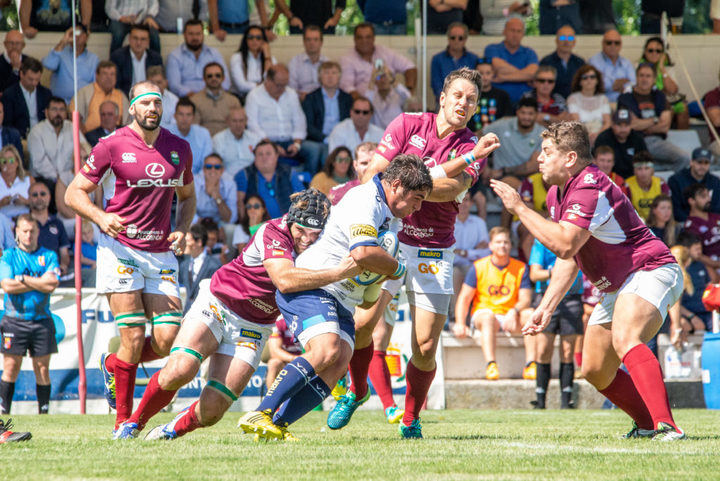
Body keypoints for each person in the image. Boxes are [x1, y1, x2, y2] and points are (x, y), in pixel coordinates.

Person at [326, 67, 501, 438]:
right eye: (457, 96)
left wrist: (409, 179)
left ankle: (411, 419)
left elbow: (447, 191)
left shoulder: (473, 146)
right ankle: (357, 391)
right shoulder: (406, 123)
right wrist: (422, 180)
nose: (463, 104)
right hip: (390, 235)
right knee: (362, 327)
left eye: (471, 100)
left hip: (434, 247)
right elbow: (375, 171)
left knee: (424, 345)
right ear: (442, 97)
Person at [491, 120, 686, 440]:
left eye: (547, 152)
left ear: (569, 158)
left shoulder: (590, 185)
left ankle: (668, 425)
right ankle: (648, 425)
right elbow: (571, 256)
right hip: (619, 284)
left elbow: (565, 244)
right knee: (595, 368)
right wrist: (547, 305)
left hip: (650, 268)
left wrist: (519, 209)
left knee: (626, 337)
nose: (539, 158)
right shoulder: (557, 193)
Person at [124, 189, 358, 441]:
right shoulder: (273, 231)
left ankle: (168, 431)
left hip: (254, 327)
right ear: (291, 219)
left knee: (213, 410)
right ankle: (132, 424)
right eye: (301, 231)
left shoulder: (323, 242)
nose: (307, 239)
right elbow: (284, 280)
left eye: (314, 234)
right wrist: (339, 273)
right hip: (219, 303)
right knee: (181, 369)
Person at [238, 155, 432, 441]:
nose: (418, 207)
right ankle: (262, 411)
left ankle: (276, 425)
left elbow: (367, 296)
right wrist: (399, 269)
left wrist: (376, 279)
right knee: (327, 349)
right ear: (397, 185)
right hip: (314, 284)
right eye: (417, 198)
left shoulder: (390, 220)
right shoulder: (366, 200)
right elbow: (363, 253)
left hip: (341, 298)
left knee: (339, 361)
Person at [64, 80, 196, 438]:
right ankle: (124, 422)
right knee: (134, 335)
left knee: (169, 339)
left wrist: (182, 229)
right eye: (146, 103)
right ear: (132, 109)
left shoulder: (179, 147)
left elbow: (187, 197)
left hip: (160, 252)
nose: (153, 108)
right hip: (120, 247)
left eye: (158, 103)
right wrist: (100, 217)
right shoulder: (111, 145)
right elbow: (73, 192)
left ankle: (113, 363)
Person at [453, 226, 535, 381]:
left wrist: (514, 311)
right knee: (488, 317)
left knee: (530, 314)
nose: (502, 245)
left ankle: (531, 364)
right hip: (485, 315)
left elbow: (525, 299)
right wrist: (459, 323)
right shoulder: (478, 266)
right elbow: (464, 298)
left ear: (511, 245)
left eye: (506, 242)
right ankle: (491, 365)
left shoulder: (520, 267)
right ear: (490, 245)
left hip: (510, 315)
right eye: (498, 242)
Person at [0, 214, 60, 415]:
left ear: (38, 232)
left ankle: (44, 413)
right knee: (11, 367)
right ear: (17, 232)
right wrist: (38, 283)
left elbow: (51, 284)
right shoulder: (8, 256)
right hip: (14, 319)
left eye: (32, 231)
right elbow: (7, 285)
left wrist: (23, 279)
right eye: (24, 231)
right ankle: (4, 412)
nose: (28, 235)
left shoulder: (49, 255)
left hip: (42, 320)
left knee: (42, 368)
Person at [526, 237, 584, 409]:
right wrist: (559, 272)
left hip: (572, 298)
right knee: (543, 349)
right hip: (545, 296)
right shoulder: (542, 242)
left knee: (568, 351)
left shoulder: (577, 240)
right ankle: (540, 400)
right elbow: (534, 274)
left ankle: (566, 401)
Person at [245, 64, 324, 175]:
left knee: (314, 149)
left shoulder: (291, 94)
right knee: (268, 153)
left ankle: (307, 186)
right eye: (278, 85)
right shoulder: (254, 96)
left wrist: (296, 144)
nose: (282, 89)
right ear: (268, 80)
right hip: (265, 142)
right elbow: (252, 125)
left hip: (290, 142)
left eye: (285, 85)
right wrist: (271, 145)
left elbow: (299, 120)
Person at [617, 63, 689, 172]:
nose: (644, 79)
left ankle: (658, 171)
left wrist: (642, 125)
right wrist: (655, 119)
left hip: (656, 141)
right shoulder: (625, 98)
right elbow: (631, 125)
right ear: (636, 77)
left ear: (654, 79)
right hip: (634, 141)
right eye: (641, 75)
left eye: (648, 76)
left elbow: (664, 126)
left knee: (684, 158)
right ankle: (654, 168)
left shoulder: (659, 96)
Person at [28, 97, 91, 190]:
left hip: (69, 178)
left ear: (66, 113)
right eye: (54, 109)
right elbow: (39, 163)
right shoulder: (36, 132)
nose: (58, 113)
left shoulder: (71, 127)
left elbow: (85, 149)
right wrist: (60, 180)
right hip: (44, 179)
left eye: (62, 110)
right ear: (46, 112)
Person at [234, 140, 307, 220]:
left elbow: (302, 199)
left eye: (268, 153)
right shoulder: (244, 175)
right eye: (260, 154)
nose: (264, 157)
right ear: (255, 158)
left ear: (276, 156)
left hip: (287, 224)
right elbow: (239, 204)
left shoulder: (289, 172)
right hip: (258, 227)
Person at [340, 23, 417, 97]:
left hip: (391, 101)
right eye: (360, 37)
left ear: (374, 38)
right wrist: (363, 105)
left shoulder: (385, 52)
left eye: (368, 37)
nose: (364, 41)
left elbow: (410, 67)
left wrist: (409, 92)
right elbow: (347, 88)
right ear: (354, 39)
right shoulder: (347, 59)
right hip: (365, 103)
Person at [483, 97, 544, 183]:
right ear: (517, 112)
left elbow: (533, 166)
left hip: (529, 179)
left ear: (536, 115)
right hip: (498, 178)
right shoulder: (503, 125)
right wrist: (484, 166)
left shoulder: (542, 133)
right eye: (523, 113)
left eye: (530, 114)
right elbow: (476, 137)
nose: (526, 117)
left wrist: (504, 170)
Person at [166, 19, 231, 98]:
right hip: (187, 99)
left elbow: (226, 81)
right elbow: (174, 85)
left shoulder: (214, 54)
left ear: (203, 35)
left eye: (198, 34)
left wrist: (214, 93)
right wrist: (195, 96)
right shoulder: (175, 56)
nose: (195, 37)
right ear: (184, 35)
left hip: (214, 96)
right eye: (191, 34)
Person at [452, 192, 490, 321]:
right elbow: (448, 253)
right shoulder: (448, 223)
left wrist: (463, 253)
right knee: (455, 273)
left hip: (473, 266)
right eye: (460, 200)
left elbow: (486, 252)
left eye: (467, 200)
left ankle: (475, 316)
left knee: (475, 271)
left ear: (471, 203)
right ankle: (457, 319)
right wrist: (474, 252)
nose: (463, 204)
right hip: (452, 266)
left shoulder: (479, 222)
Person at [484, 18, 539, 104]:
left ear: (523, 34)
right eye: (512, 30)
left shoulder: (529, 52)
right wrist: (526, 76)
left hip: (525, 104)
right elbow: (498, 67)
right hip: (498, 102)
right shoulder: (492, 49)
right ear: (504, 31)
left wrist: (504, 77)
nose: (515, 34)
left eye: (519, 31)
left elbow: (533, 74)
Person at [639, 37, 688, 130]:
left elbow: (673, 90)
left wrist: (662, 68)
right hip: (647, 99)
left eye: (658, 51)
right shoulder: (639, 68)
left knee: (683, 108)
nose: (654, 53)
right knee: (668, 108)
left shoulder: (667, 68)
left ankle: (682, 141)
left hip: (666, 99)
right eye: (651, 50)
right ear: (645, 52)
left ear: (662, 54)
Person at [42, 25, 99, 104]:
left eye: (78, 32)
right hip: (60, 104)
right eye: (72, 33)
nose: (76, 36)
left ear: (86, 36)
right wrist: (63, 42)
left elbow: (96, 85)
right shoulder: (60, 52)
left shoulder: (93, 58)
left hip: (83, 104)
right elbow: (48, 65)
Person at [70, 61, 130, 134]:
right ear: (96, 76)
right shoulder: (85, 92)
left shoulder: (121, 96)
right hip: (91, 139)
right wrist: (83, 139)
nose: (109, 77)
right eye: (105, 74)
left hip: (117, 138)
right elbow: (74, 117)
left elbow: (128, 122)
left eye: (112, 74)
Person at [302, 61, 352, 144]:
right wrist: (326, 139)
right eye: (326, 73)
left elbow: (350, 122)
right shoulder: (311, 98)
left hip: (342, 139)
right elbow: (308, 125)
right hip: (319, 140)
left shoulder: (347, 98)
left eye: (334, 73)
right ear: (320, 77)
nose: (330, 76)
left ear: (339, 77)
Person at [28, 182, 71, 279]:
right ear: (29, 198)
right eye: (35, 195)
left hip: (54, 273)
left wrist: (63, 266)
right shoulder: (24, 223)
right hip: (29, 273)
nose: (39, 198)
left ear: (49, 197)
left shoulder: (58, 223)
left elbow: (64, 253)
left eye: (43, 194)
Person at [2, 56, 51, 139]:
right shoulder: (9, 94)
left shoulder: (46, 93)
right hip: (21, 137)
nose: (34, 83)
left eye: (37, 80)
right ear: (21, 74)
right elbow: (7, 123)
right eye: (30, 79)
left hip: (44, 136)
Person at [178, 223, 222, 314]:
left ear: (199, 242)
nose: (184, 244)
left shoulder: (214, 265)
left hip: (205, 314)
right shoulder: (183, 265)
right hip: (185, 314)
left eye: (188, 240)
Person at [110, 24, 164, 97]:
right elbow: (116, 86)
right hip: (126, 99)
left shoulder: (155, 58)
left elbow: (158, 84)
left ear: (148, 41)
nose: (138, 43)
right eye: (135, 38)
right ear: (129, 39)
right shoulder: (118, 57)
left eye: (143, 39)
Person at [593, 109, 648, 180]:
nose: (623, 129)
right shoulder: (603, 138)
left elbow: (645, 161)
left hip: (634, 180)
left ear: (631, 125)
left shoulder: (637, 138)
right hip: (610, 179)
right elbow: (598, 165)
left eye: (626, 125)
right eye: (619, 125)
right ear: (612, 124)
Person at [668, 147, 720, 222]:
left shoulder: (715, 181)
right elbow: (676, 210)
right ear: (691, 162)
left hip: (710, 223)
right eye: (699, 162)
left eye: (706, 163)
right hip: (684, 223)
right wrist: (694, 223)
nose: (702, 166)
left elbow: (717, 208)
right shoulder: (676, 180)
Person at [189, 63, 241, 137]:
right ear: (204, 78)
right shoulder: (194, 100)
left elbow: (238, 126)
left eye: (218, 75)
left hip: (228, 141)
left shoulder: (233, 101)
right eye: (210, 76)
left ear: (223, 78)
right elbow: (194, 129)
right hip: (204, 142)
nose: (214, 78)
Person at [430, 22, 480, 100]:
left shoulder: (474, 59)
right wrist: (449, 100)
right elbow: (436, 85)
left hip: (467, 101)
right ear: (448, 38)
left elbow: (476, 84)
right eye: (453, 37)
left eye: (460, 38)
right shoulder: (437, 59)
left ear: (465, 39)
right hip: (444, 102)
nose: (456, 41)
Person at [211, 106, 261, 178]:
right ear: (227, 121)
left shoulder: (255, 139)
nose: (238, 125)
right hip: (228, 179)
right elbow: (217, 166)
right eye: (234, 121)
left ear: (246, 121)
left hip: (252, 178)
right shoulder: (218, 140)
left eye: (241, 121)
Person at [567, 65, 611, 144]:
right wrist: (587, 136)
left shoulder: (603, 98)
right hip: (580, 137)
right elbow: (575, 123)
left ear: (597, 80)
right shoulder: (573, 98)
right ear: (580, 81)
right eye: (585, 77)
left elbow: (607, 123)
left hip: (601, 137)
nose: (589, 80)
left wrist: (597, 135)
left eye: (592, 77)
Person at [588, 30, 635, 104]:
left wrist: (611, 86)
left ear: (621, 45)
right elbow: (594, 86)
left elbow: (633, 84)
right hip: (601, 104)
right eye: (609, 43)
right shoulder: (593, 62)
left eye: (617, 43)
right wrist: (614, 85)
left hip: (625, 104)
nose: (613, 46)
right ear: (603, 44)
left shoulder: (626, 63)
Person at [168, 97, 213, 174]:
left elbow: (207, 164)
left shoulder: (204, 134)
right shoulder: (165, 133)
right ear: (175, 116)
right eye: (181, 114)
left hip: (197, 179)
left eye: (188, 115)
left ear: (193, 117)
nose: (184, 119)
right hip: (171, 179)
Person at [539, 25, 585, 100]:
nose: (566, 41)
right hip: (553, 105)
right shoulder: (546, 62)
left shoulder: (580, 62)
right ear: (556, 41)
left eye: (570, 38)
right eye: (562, 38)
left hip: (577, 103)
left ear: (574, 42)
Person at [229, 25, 275, 99]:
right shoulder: (237, 58)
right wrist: (264, 86)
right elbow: (242, 86)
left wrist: (267, 57)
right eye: (250, 37)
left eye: (258, 38)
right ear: (246, 40)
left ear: (263, 41)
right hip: (242, 98)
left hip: (265, 97)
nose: (254, 40)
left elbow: (273, 81)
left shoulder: (270, 59)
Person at [468, 59, 512, 135]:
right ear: (475, 75)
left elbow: (507, 120)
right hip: (472, 138)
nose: (484, 77)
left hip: (498, 137)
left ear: (493, 74)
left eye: (488, 73)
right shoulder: (469, 94)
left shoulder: (503, 95)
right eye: (481, 73)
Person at [682, 183, 720, 271]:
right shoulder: (691, 226)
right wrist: (716, 264)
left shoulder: (716, 217)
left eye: (708, 195)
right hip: (712, 268)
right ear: (691, 201)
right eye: (703, 196)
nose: (708, 199)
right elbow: (698, 255)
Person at [624, 151, 670, 222]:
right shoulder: (627, 186)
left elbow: (666, 210)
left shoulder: (661, 185)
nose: (643, 172)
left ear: (652, 170)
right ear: (634, 170)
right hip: (637, 225)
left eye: (647, 168)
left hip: (658, 223)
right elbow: (627, 213)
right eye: (639, 169)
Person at [365, 64, 412, 130]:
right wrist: (372, 78)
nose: (382, 80)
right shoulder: (372, 96)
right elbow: (365, 103)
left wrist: (392, 79)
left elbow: (408, 97)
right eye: (379, 77)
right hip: (377, 136)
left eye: (385, 76)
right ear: (375, 81)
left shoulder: (398, 95)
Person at [194, 154, 237, 226]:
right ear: (204, 170)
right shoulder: (194, 182)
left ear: (222, 170)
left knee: (230, 228)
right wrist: (206, 225)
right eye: (208, 167)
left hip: (219, 224)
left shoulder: (230, 184)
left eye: (217, 167)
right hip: (198, 223)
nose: (213, 170)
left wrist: (217, 198)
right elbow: (186, 211)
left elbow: (231, 218)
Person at [288, 25, 329, 101]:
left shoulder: (327, 63)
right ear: (303, 42)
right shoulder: (294, 62)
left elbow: (331, 87)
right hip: (301, 101)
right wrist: (300, 96)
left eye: (315, 40)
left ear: (321, 42)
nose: (312, 43)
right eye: (308, 40)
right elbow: (291, 89)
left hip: (323, 101)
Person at [265, 316, 302, 390]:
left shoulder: (305, 321)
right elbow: (275, 351)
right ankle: (271, 398)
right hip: (285, 359)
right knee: (274, 363)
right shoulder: (279, 323)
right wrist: (294, 359)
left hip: (306, 357)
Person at [270, 0, 344, 34]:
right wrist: (290, 17)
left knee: (327, 61)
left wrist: (335, 19)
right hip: (298, 26)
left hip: (325, 26)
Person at [0, 145, 31, 220]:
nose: (7, 164)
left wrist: (25, 202)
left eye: (11, 160)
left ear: (17, 162)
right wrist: (1, 203)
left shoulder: (28, 180)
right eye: (4, 161)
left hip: (24, 221)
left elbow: (38, 204)